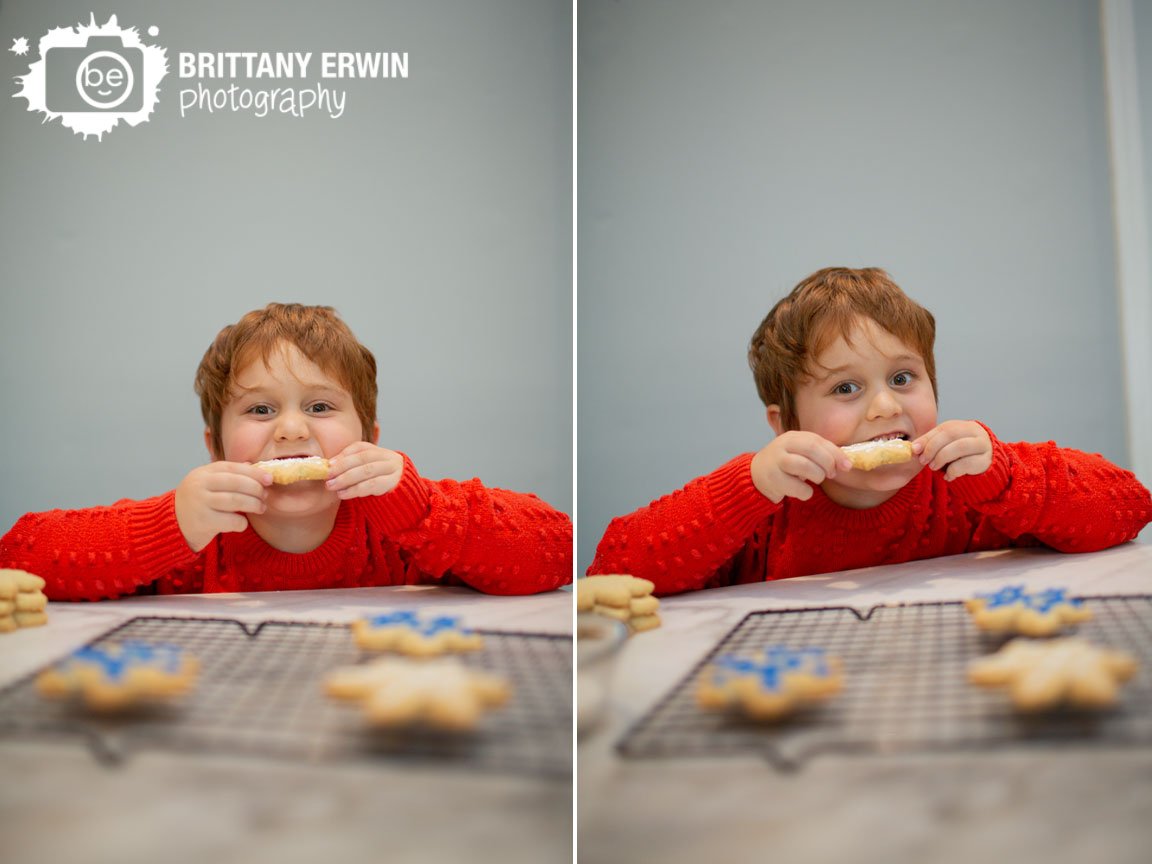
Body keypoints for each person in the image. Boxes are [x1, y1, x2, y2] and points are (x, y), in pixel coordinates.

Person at [588, 267, 1151, 594]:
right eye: (845, 389)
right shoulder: (766, 512)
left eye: (903, 378)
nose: (885, 406)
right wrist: (746, 489)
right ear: (785, 425)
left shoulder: (973, 484)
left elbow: (1130, 504)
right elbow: (612, 568)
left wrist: (1006, 476)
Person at [1, 303, 571, 599]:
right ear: (216, 448)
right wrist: (167, 526)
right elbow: (19, 555)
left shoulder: (408, 537)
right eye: (260, 410)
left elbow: (557, 547)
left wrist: (420, 508)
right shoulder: (193, 542)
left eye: (321, 408)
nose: (293, 431)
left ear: (370, 439)